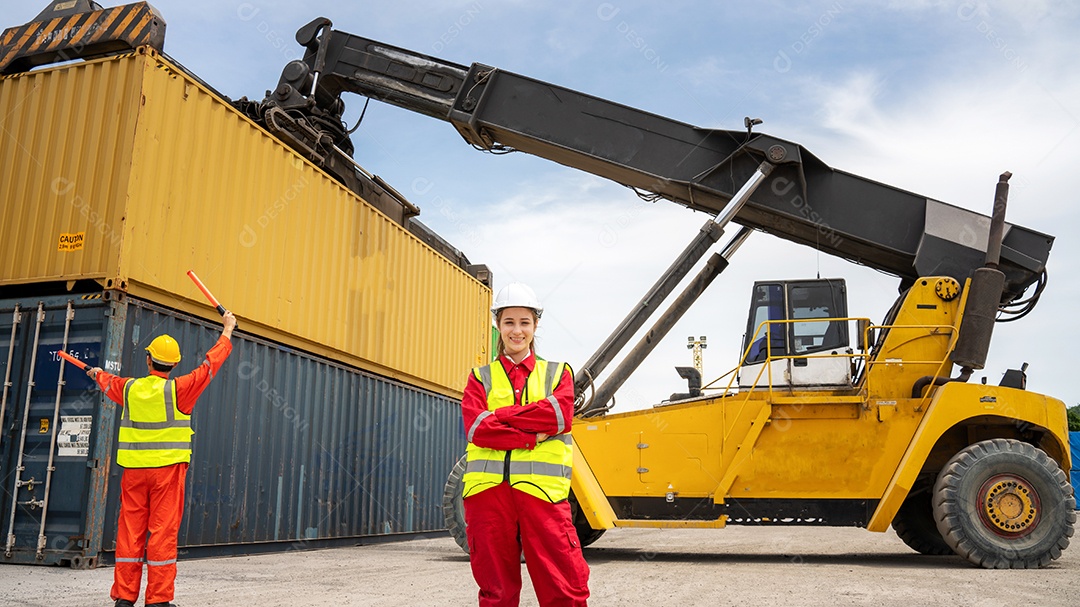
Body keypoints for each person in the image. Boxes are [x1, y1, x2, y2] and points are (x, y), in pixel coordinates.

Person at [86, 311, 236, 607]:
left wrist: (96, 374)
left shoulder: (129, 389)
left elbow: (109, 382)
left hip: (134, 474)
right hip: (167, 474)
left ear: (148, 360)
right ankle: (158, 601)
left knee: (130, 532)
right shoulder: (180, 389)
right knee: (162, 532)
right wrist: (228, 330)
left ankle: (124, 599)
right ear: (176, 364)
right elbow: (210, 365)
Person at [460, 282, 590, 607]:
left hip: (542, 495)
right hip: (487, 496)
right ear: (498, 326)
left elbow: (558, 415)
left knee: (564, 586)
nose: (516, 331)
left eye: (524, 323)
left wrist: (501, 415)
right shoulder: (480, 377)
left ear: (535, 325)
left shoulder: (558, 374)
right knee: (496, 593)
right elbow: (478, 428)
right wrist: (531, 436)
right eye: (508, 322)